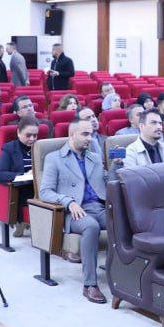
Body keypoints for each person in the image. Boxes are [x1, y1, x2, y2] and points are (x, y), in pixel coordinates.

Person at [38, 119, 108, 304]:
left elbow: (108, 182)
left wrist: (116, 165)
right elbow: (45, 192)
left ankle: (120, 274)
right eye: (85, 134)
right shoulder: (54, 158)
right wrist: (68, 202)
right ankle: (90, 284)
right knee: (91, 227)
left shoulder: (94, 157)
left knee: (124, 221)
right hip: (75, 212)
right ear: (71, 134)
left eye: (91, 134)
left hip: (100, 207)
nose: (89, 138)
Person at [0, 116, 39, 237]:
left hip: (41, 185)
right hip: (22, 188)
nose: (32, 139)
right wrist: (24, 175)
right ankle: (21, 221)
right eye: (28, 135)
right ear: (18, 133)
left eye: (35, 135)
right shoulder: (9, 148)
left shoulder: (41, 146)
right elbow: (0, 174)